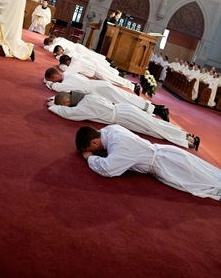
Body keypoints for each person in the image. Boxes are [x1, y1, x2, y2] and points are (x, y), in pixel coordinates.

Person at [75, 124, 221, 201]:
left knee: (203, 182)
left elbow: (107, 169)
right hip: (167, 153)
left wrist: (90, 158)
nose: (93, 151)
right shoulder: (111, 129)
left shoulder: (119, 146)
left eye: (91, 149)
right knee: (206, 173)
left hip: (166, 165)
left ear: (94, 142)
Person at [48, 91, 199, 149]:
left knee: (153, 129)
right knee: (154, 124)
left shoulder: (83, 106)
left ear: (68, 102)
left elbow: (68, 113)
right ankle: (185, 135)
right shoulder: (88, 96)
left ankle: (186, 141)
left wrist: (52, 106)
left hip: (123, 117)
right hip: (124, 109)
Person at [44, 67, 169, 120]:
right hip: (100, 86)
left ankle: (157, 110)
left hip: (99, 91)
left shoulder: (65, 82)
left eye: (51, 79)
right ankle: (157, 109)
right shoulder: (69, 74)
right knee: (127, 98)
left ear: (55, 77)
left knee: (126, 102)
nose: (51, 82)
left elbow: (56, 88)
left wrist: (48, 83)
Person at [59, 54, 135, 91]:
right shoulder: (76, 57)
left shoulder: (74, 63)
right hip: (96, 68)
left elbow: (67, 72)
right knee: (112, 79)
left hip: (97, 71)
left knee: (113, 79)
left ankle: (132, 85)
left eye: (66, 64)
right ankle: (131, 85)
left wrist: (61, 66)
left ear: (67, 61)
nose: (67, 65)